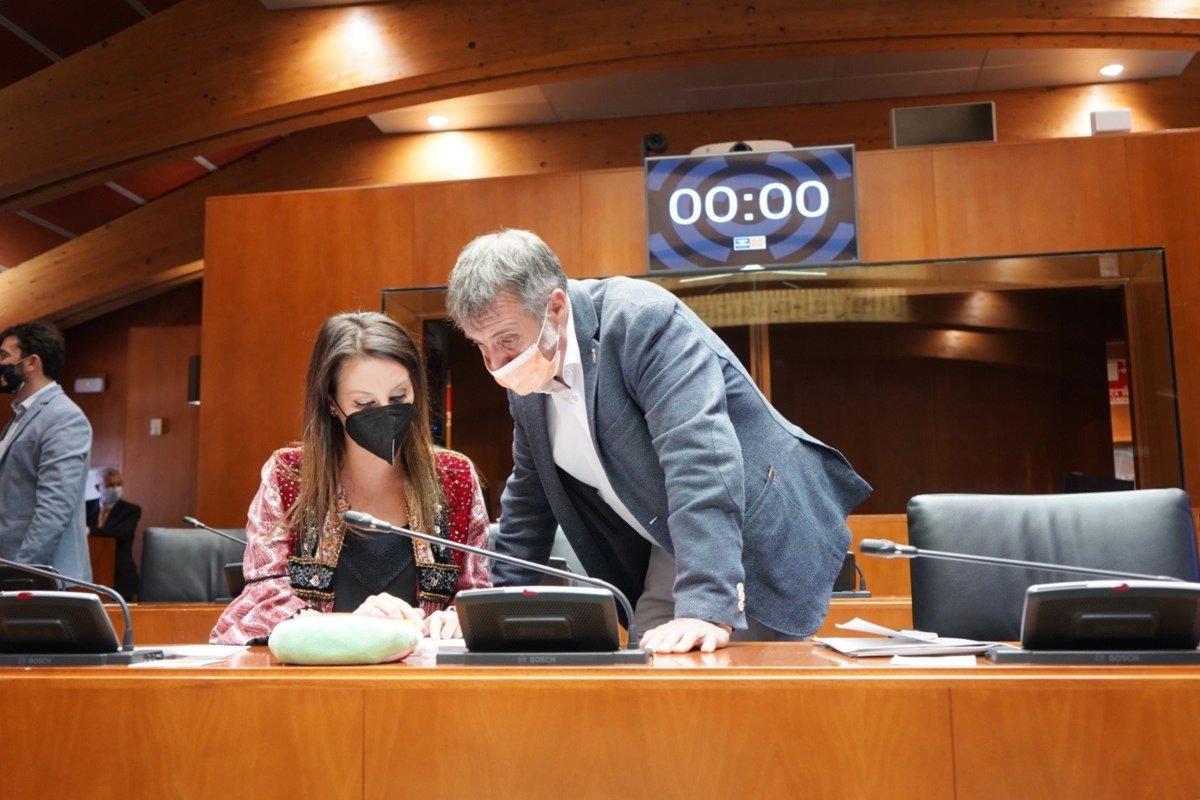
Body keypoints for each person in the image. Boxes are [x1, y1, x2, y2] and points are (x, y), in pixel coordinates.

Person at [447, 229, 872, 654]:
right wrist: (487, 609)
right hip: (667, 538)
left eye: (506, 340)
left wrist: (706, 607)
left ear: (555, 308)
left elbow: (699, 459)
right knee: (650, 662)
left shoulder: (642, 321)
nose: (496, 365)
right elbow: (529, 500)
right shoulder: (529, 375)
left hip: (747, 530)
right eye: (480, 346)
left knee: (721, 668)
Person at [211, 311, 491, 645]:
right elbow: (263, 594)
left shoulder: (454, 476)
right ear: (332, 403)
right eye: (364, 403)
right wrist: (348, 625)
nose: (385, 412)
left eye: (399, 397)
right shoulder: (289, 474)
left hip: (423, 670)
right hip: (320, 671)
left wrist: (460, 616)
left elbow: (476, 592)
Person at [0, 321, 94, 582]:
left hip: (39, 577)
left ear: (32, 362)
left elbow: (53, 509)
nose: (0, 363)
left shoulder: (63, 417)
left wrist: (19, 573)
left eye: (4, 355)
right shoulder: (20, 416)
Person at [85, 467, 142, 599]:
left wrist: (90, 530)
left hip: (120, 575)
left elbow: (122, 532)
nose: (115, 489)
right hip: (90, 571)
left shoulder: (131, 510)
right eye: (110, 485)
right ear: (98, 487)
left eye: (118, 484)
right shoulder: (85, 507)